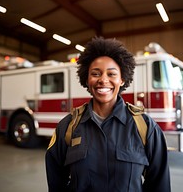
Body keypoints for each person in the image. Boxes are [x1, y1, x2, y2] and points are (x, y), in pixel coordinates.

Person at [45, 36, 171, 192]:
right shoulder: (67, 127)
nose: (103, 80)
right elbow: (56, 184)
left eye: (111, 74)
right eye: (96, 74)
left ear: (122, 79)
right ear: (87, 79)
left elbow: (160, 185)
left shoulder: (145, 127)